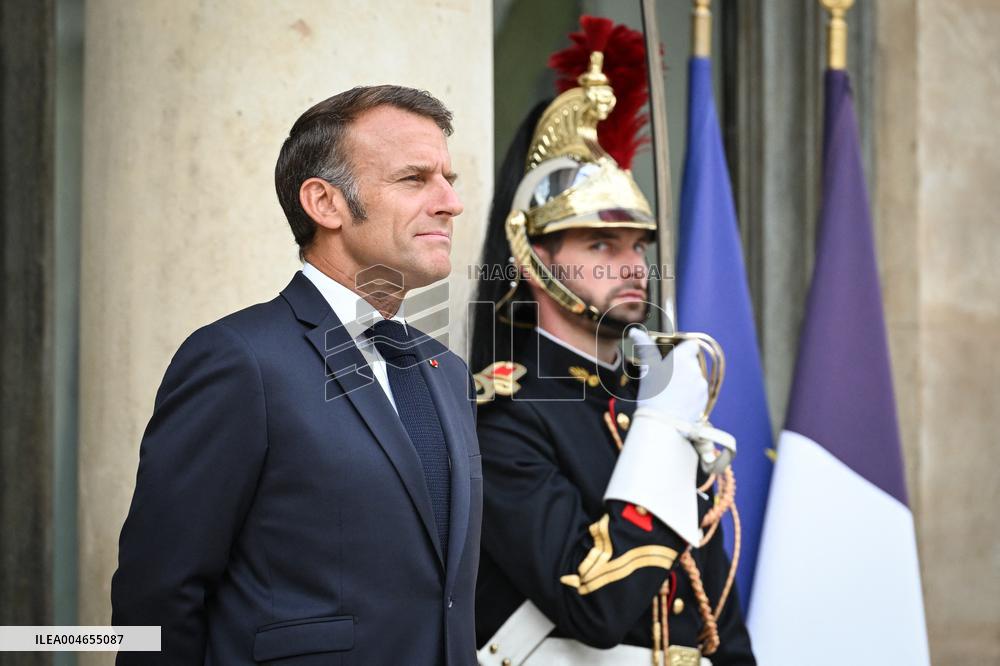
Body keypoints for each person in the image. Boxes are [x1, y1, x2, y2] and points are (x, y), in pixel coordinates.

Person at [112, 85, 482, 665]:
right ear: (325, 203)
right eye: (414, 179)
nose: (449, 203)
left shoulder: (448, 373)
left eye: (449, 180)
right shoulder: (238, 360)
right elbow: (159, 591)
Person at [471, 18, 755, 665]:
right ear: (531, 259)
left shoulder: (651, 400)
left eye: (637, 246)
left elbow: (718, 616)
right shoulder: (506, 415)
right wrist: (660, 430)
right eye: (601, 245)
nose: (632, 266)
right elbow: (593, 604)